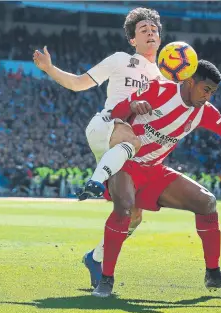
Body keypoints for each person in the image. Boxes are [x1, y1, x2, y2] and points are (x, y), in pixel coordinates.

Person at [89, 60, 221, 297]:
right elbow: (114, 114)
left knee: (207, 202)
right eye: (206, 90)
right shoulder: (158, 89)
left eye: (213, 93)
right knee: (124, 209)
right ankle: (106, 279)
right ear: (190, 81)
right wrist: (132, 104)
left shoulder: (203, 112)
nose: (208, 97)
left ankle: (213, 274)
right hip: (125, 164)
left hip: (153, 169)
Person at [33, 7, 164, 201]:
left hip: (124, 150)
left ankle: (100, 182)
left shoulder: (163, 79)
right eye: (144, 30)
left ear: (160, 38)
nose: (150, 32)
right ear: (132, 40)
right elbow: (78, 83)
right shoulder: (121, 59)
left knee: (131, 210)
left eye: (154, 29)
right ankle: (96, 181)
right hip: (107, 125)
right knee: (132, 140)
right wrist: (49, 69)